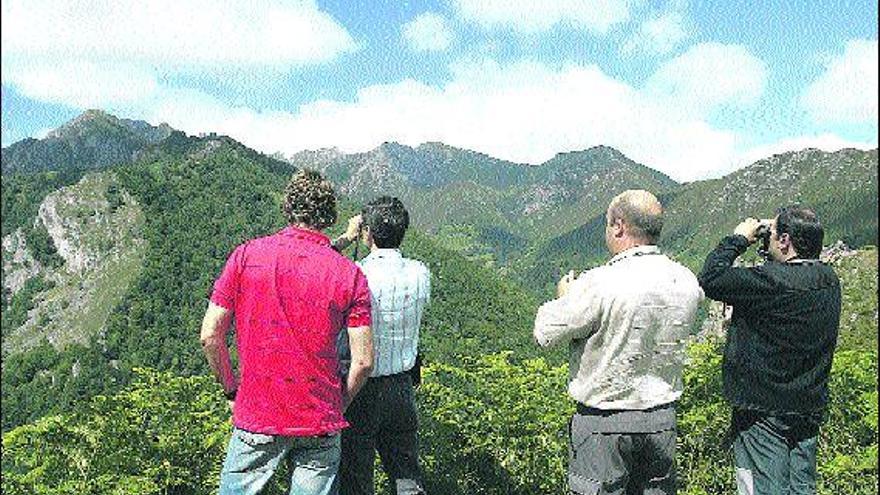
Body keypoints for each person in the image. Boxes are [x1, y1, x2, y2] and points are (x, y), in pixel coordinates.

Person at [200, 169, 374, 495]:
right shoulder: (351, 276)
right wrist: (339, 402)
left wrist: (230, 390)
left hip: (256, 411)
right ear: (329, 214)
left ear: (288, 207)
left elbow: (210, 335)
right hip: (320, 417)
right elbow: (363, 362)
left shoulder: (246, 256)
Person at [533, 189, 703, 495]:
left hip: (604, 422)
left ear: (619, 226)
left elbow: (545, 332)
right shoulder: (686, 280)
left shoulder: (600, 282)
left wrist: (566, 296)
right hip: (661, 419)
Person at [698, 206, 841, 495]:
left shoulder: (770, 283)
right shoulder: (829, 280)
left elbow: (711, 277)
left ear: (785, 241)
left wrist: (739, 238)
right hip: (807, 405)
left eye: (773, 234)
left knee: (761, 488)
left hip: (762, 412)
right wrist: (771, 237)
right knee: (801, 489)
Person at [333, 196, 430, 495]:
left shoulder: (355, 273)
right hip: (402, 386)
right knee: (406, 476)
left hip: (360, 386)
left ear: (367, 232)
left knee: (356, 479)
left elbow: (311, 258)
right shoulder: (420, 273)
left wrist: (347, 238)